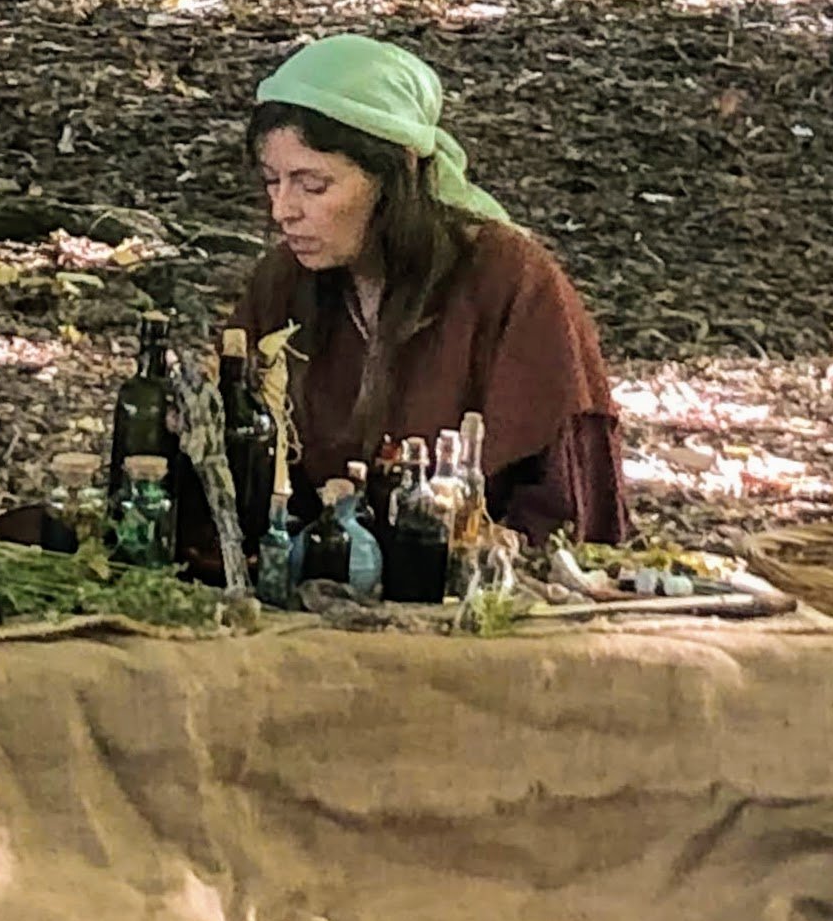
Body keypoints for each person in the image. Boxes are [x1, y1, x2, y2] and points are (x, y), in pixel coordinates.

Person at [232, 34, 630, 544]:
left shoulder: (509, 280)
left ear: (396, 176)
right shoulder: (285, 283)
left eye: (314, 186)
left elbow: (566, 498)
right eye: (272, 181)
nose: (282, 210)